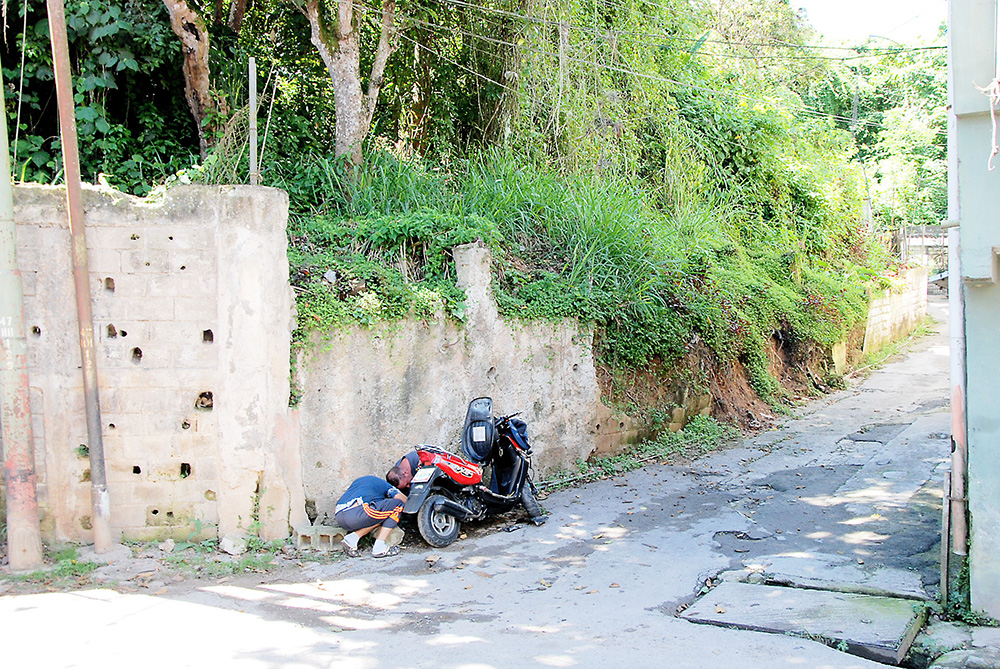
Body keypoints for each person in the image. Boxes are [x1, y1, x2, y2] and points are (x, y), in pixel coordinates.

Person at [335, 475, 406, 558]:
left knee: (382, 516)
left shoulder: (362, 481)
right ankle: (379, 547)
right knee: (398, 505)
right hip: (355, 513)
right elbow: (401, 499)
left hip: (339, 515)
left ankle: (352, 539)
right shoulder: (387, 486)